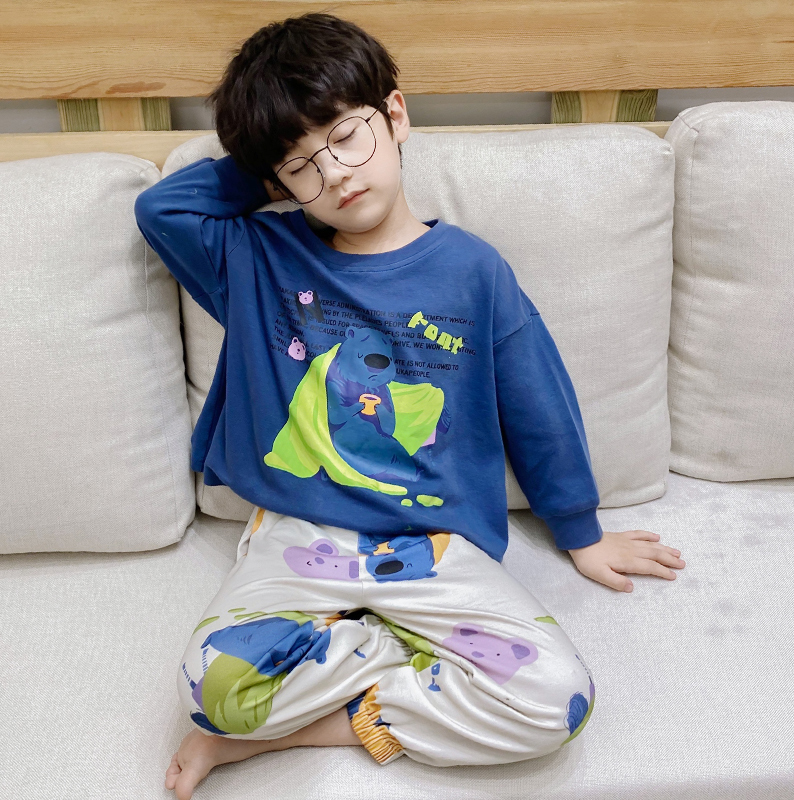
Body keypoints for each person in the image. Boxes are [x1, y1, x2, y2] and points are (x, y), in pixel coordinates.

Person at [134, 12, 686, 800]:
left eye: (346, 136)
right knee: (207, 691)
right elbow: (162, 212)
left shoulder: (474, 271)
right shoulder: (255, 259)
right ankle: (389, 673)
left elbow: (536, 403)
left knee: (556, 703)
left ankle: (313, 720)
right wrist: (270, 162)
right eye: (302, 166)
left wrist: (580, 530)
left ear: (395, 114)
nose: (335, 173)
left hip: (436, 542)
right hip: (300, 535)